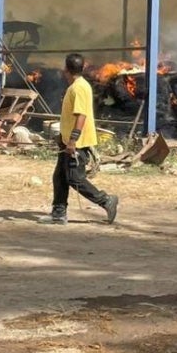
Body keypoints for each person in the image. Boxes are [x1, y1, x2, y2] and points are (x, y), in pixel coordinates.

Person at [39, 53, 119, 225]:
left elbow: (81, 115)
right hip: (68, 141)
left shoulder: (78, 88)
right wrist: (63, 137)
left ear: (66, 69)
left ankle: (106, 200)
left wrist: (73, 140)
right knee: (60, 176)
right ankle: (58, 213)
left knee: (75, 178)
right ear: (82, 68)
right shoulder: (77, 86)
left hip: (77, 143)